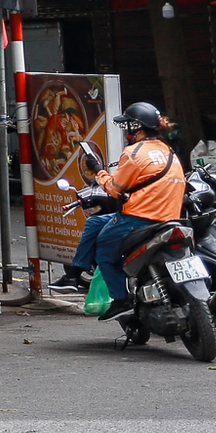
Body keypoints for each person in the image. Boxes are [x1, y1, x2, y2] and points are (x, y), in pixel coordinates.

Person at [87, 101, 186, 319]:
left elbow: (115, 190)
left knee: (103, 251)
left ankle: (121, 299)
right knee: (97, 225)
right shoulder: (168, 151)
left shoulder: (133, 152)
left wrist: (97, 171)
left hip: (140, 218)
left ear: (135, 127)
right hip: (171, 218)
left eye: (128, 126)